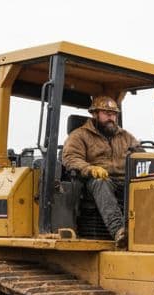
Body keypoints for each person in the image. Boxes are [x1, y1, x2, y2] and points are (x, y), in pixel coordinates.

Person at [62, 95, 137, 245]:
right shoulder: (79, 135)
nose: (111, 118)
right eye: (107, 114)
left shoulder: (125, 137)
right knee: (101, 182)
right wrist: (89, 169)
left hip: (125, 180)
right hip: (95, 181)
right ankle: (119, 231)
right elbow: (71, 158)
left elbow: (140, 154)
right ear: (95, 114)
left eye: (114, 114)